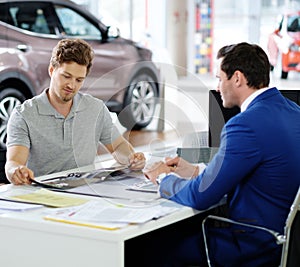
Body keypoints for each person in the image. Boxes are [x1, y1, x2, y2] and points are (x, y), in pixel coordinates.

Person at [143, 42, 300, 266]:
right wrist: (195, 170)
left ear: (237, 78)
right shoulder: (295, 113)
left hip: (254, 246)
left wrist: (163, 179)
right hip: (287, 244)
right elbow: (258, 170)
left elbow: (201, 195)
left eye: (219, 78)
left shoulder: (245, 125)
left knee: (150, 246)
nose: (217, 87)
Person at [5, 38, 145, 185]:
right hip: (43, 193)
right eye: (66, 76)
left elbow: (118, 147)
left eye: (79, 80)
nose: (71, 85)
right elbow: (14, 161)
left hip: (86, 193)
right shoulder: (24, 115)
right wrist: (16, 170)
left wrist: (132, 159)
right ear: (52, 70)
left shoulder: (95, 108)